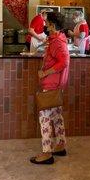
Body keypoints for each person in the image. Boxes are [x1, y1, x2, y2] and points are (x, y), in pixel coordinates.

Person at [30, 12, 70, 165]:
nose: (45, 25)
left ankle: (47, 153)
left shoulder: (57, 42)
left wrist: (45, 72)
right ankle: (60, 146)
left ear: (53, 25)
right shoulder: (57, 39)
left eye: (47, 23)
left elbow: (64, 62)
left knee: (45, 119)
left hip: (51, 85)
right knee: (56, 117)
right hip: (56, 85)